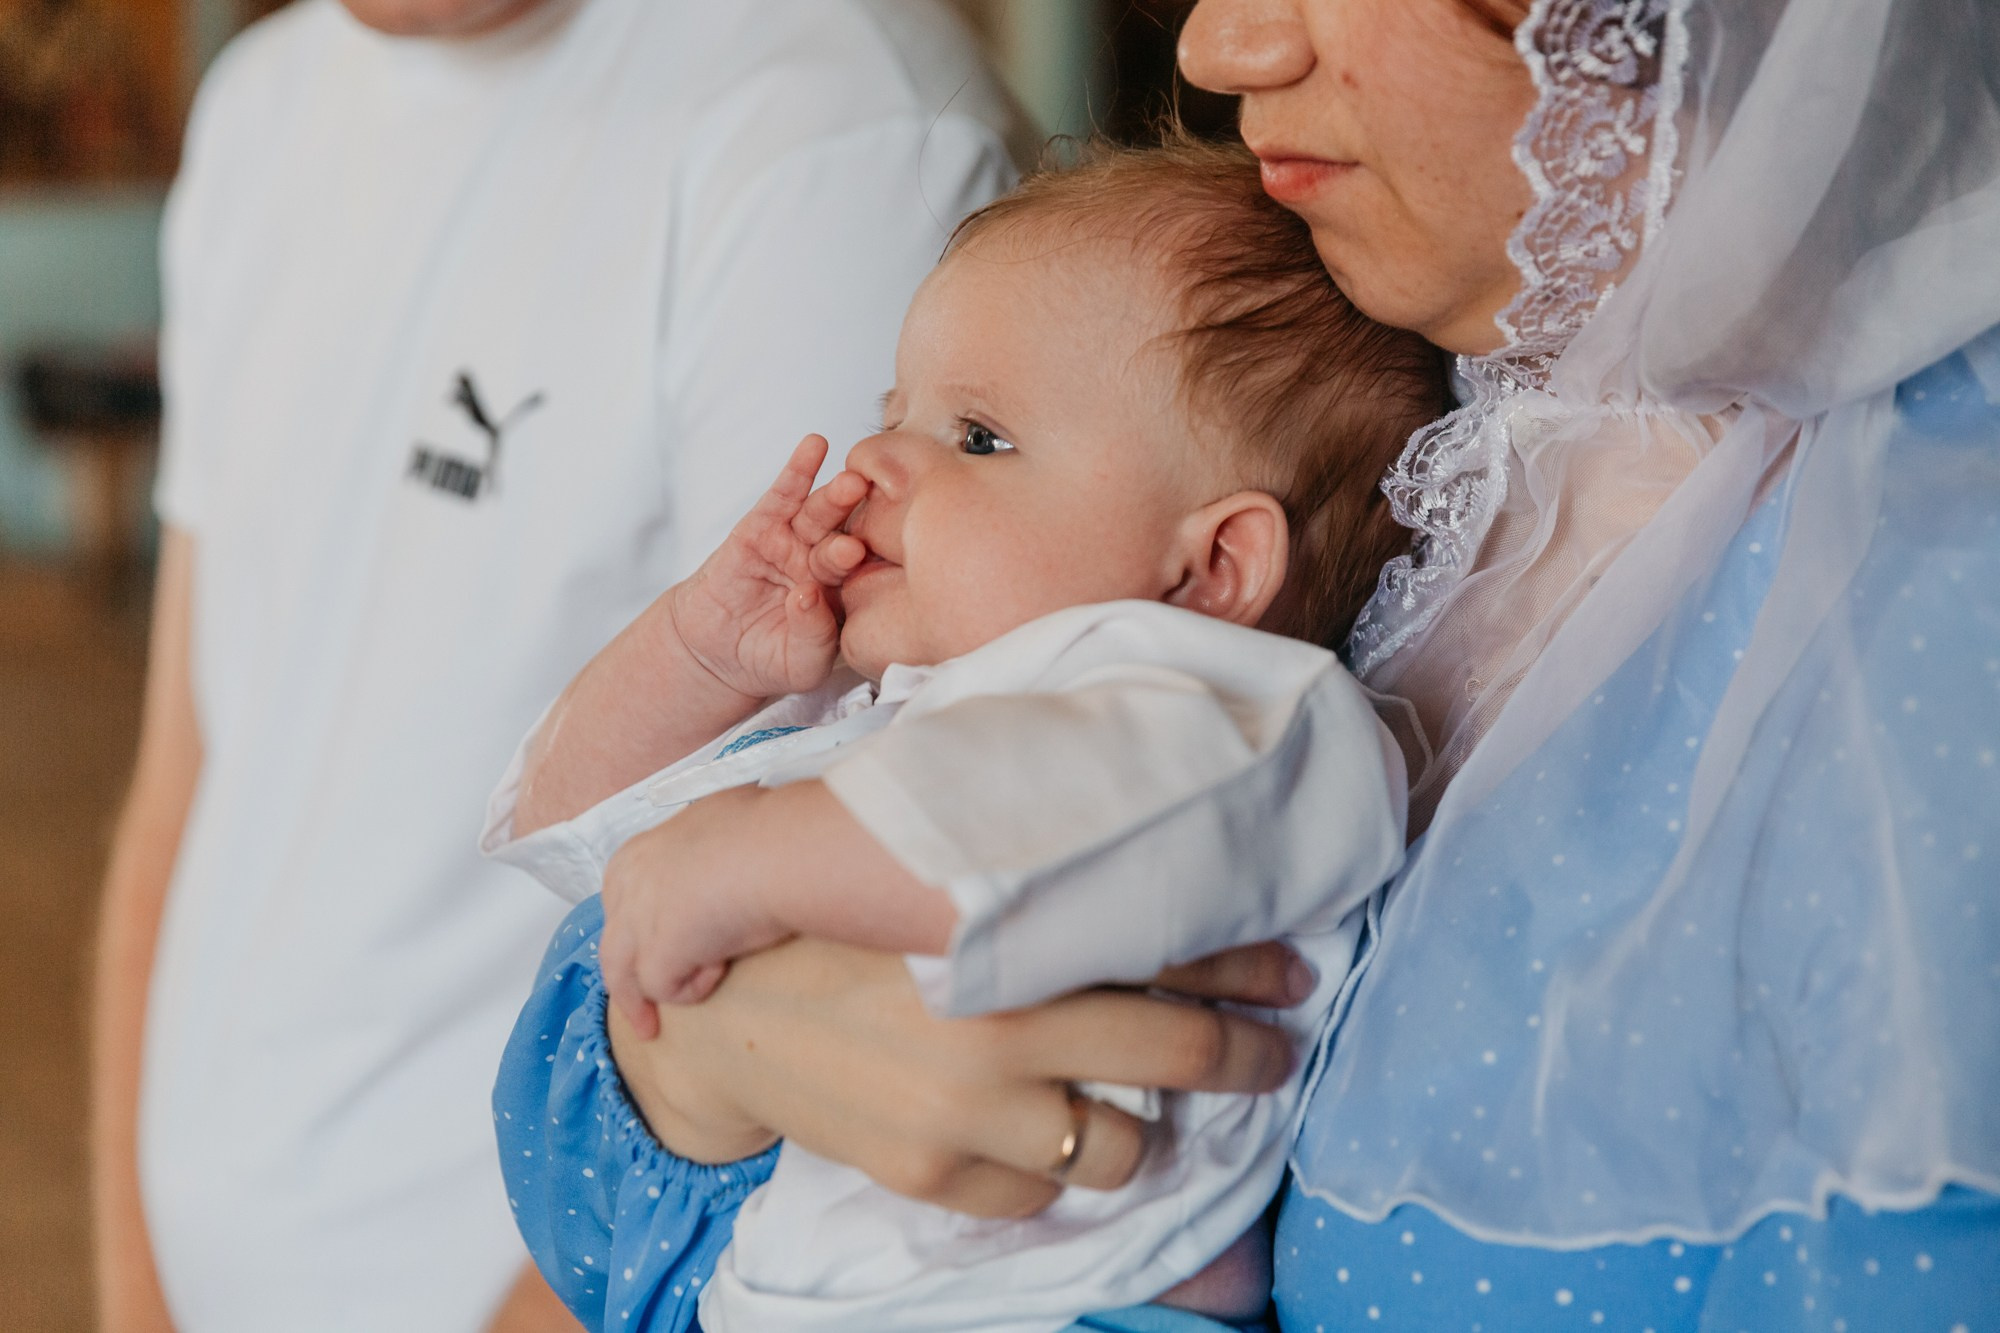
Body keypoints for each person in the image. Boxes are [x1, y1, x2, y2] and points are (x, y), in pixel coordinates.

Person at [544, 0, 2000, 1329]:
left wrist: (718, 918)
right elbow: (583, 946)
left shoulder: (1226, 599)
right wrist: (695, 1051)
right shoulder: (1382, 433)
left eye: (975, 438)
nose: (1217, 49)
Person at [87, 1, 1017, 1329]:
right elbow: (187, 772)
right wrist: (133, 1285)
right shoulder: (265, 104)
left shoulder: (837, 120)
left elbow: (830, 969)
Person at [482, 141, 1447, 1332]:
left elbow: (966, 838)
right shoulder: (903, 715)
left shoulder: (1232, 707)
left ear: (1210, 568)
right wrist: (699, 657)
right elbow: (568, 835)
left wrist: (734, 857)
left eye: (976, 436)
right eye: (893, 414)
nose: (878, 457)